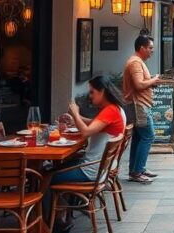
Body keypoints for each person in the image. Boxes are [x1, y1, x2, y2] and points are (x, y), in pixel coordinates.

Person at [49, 75, 126, 231]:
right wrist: (76, 119)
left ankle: (52, 223)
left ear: (102, 91)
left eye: (92, 92)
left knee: (49, 177)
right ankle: (63, 215)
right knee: (60, 167)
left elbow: (85, 133)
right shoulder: (115, 109)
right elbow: (95, 125)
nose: (90, 96)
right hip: (101, 169)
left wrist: (76, 113)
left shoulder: (109, 111)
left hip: (91, 170)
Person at [123, 34, 161, 183]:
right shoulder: (135, 63)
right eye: (150, 48)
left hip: (141, 104)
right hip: (139, 105)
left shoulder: (138, 62)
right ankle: (138, 171)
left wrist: (151, 80)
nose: (152, 51)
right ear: (142, 48)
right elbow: (138, 85)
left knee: (139, 138)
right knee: (148, 136)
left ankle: (137, 169)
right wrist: (153, 80)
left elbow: (140, 82)